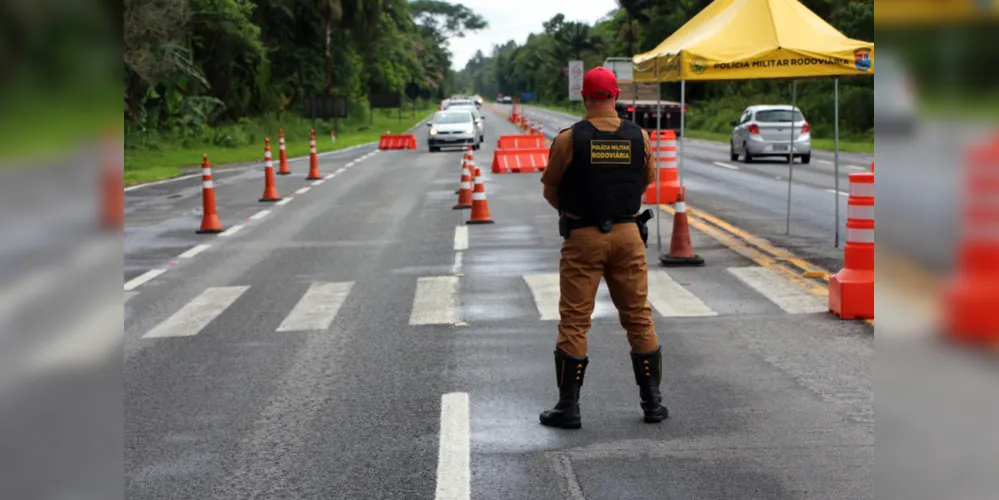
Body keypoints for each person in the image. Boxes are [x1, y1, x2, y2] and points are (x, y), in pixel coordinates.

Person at [538, 66, 668, 429]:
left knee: (575, 321)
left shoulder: (569, 139)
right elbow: (644, 182)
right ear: (615, 96)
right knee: (639, 316)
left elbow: (551, 190)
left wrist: (575, 212)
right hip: (628, 235)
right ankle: (653, 403)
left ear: (584, 97)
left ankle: (569, 408)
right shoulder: (639, 136)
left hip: (582, 236)